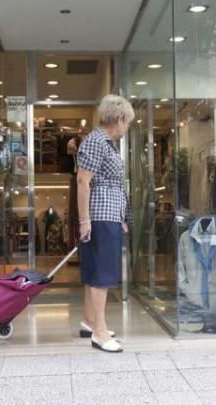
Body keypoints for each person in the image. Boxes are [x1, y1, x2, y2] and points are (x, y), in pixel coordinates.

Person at [76, 94, 134, 353]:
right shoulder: (97, 141)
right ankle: (99, 332)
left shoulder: (105, 143)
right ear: (119, 118)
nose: (127, 128)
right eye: (127, 122)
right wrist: (85, 220)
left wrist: (120, 217)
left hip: (108, 215)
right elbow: (82, 182)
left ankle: (90, 321)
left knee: (95, 272)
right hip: (100, 216)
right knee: (102, 274)